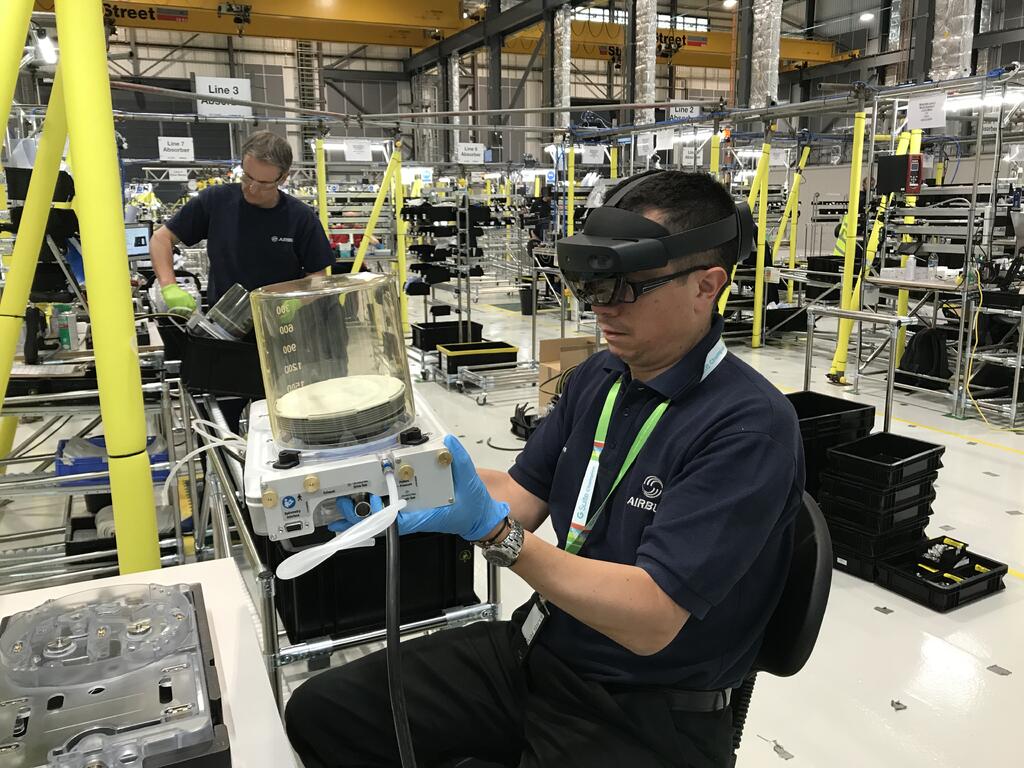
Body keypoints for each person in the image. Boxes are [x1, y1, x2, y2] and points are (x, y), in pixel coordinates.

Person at [285, 171, 805, 768]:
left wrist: (499, 538)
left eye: (629, 286)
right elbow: (522, 493)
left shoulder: (748, 426)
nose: (601, 305)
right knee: (324, 714)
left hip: (643, 708)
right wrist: (402, 478)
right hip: (540, 649)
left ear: (706, 286)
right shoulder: (601, 377)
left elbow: (650, 618)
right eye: (592, 284)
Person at [151, 130, 334, 312]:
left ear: (283, 178)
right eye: (247, 177)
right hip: (226, 326)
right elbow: (160, 239)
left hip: (281, 325)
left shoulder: (301, 218)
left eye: (263, 183)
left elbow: (317, 275)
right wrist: (169, 286)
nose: (252, 189)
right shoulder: (215, 201)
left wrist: (296, 302)